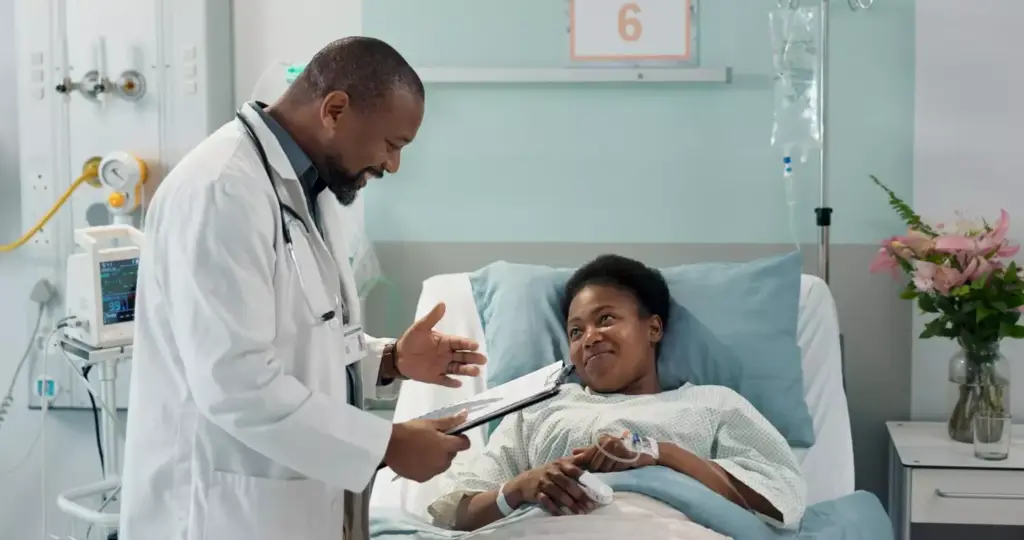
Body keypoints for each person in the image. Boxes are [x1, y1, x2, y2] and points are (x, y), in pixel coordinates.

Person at [118, 37, 486, 540]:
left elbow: (303, 341)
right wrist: (388, 445)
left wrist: (390, 359)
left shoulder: (309, 190)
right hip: (216, 513)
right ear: (335, 109)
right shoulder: (221, 190)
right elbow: (236, 383)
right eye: (392, 144)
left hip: (284, 507)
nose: (393, 165)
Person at [427, 254, 806, 535]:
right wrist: (521, 487)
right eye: (576, 332)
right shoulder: (538, 411)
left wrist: (659, 454)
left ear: (653, 328)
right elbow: (456, 513)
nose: (589, 338)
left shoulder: (712, 404)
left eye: (606, 319)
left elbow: (777, 499)